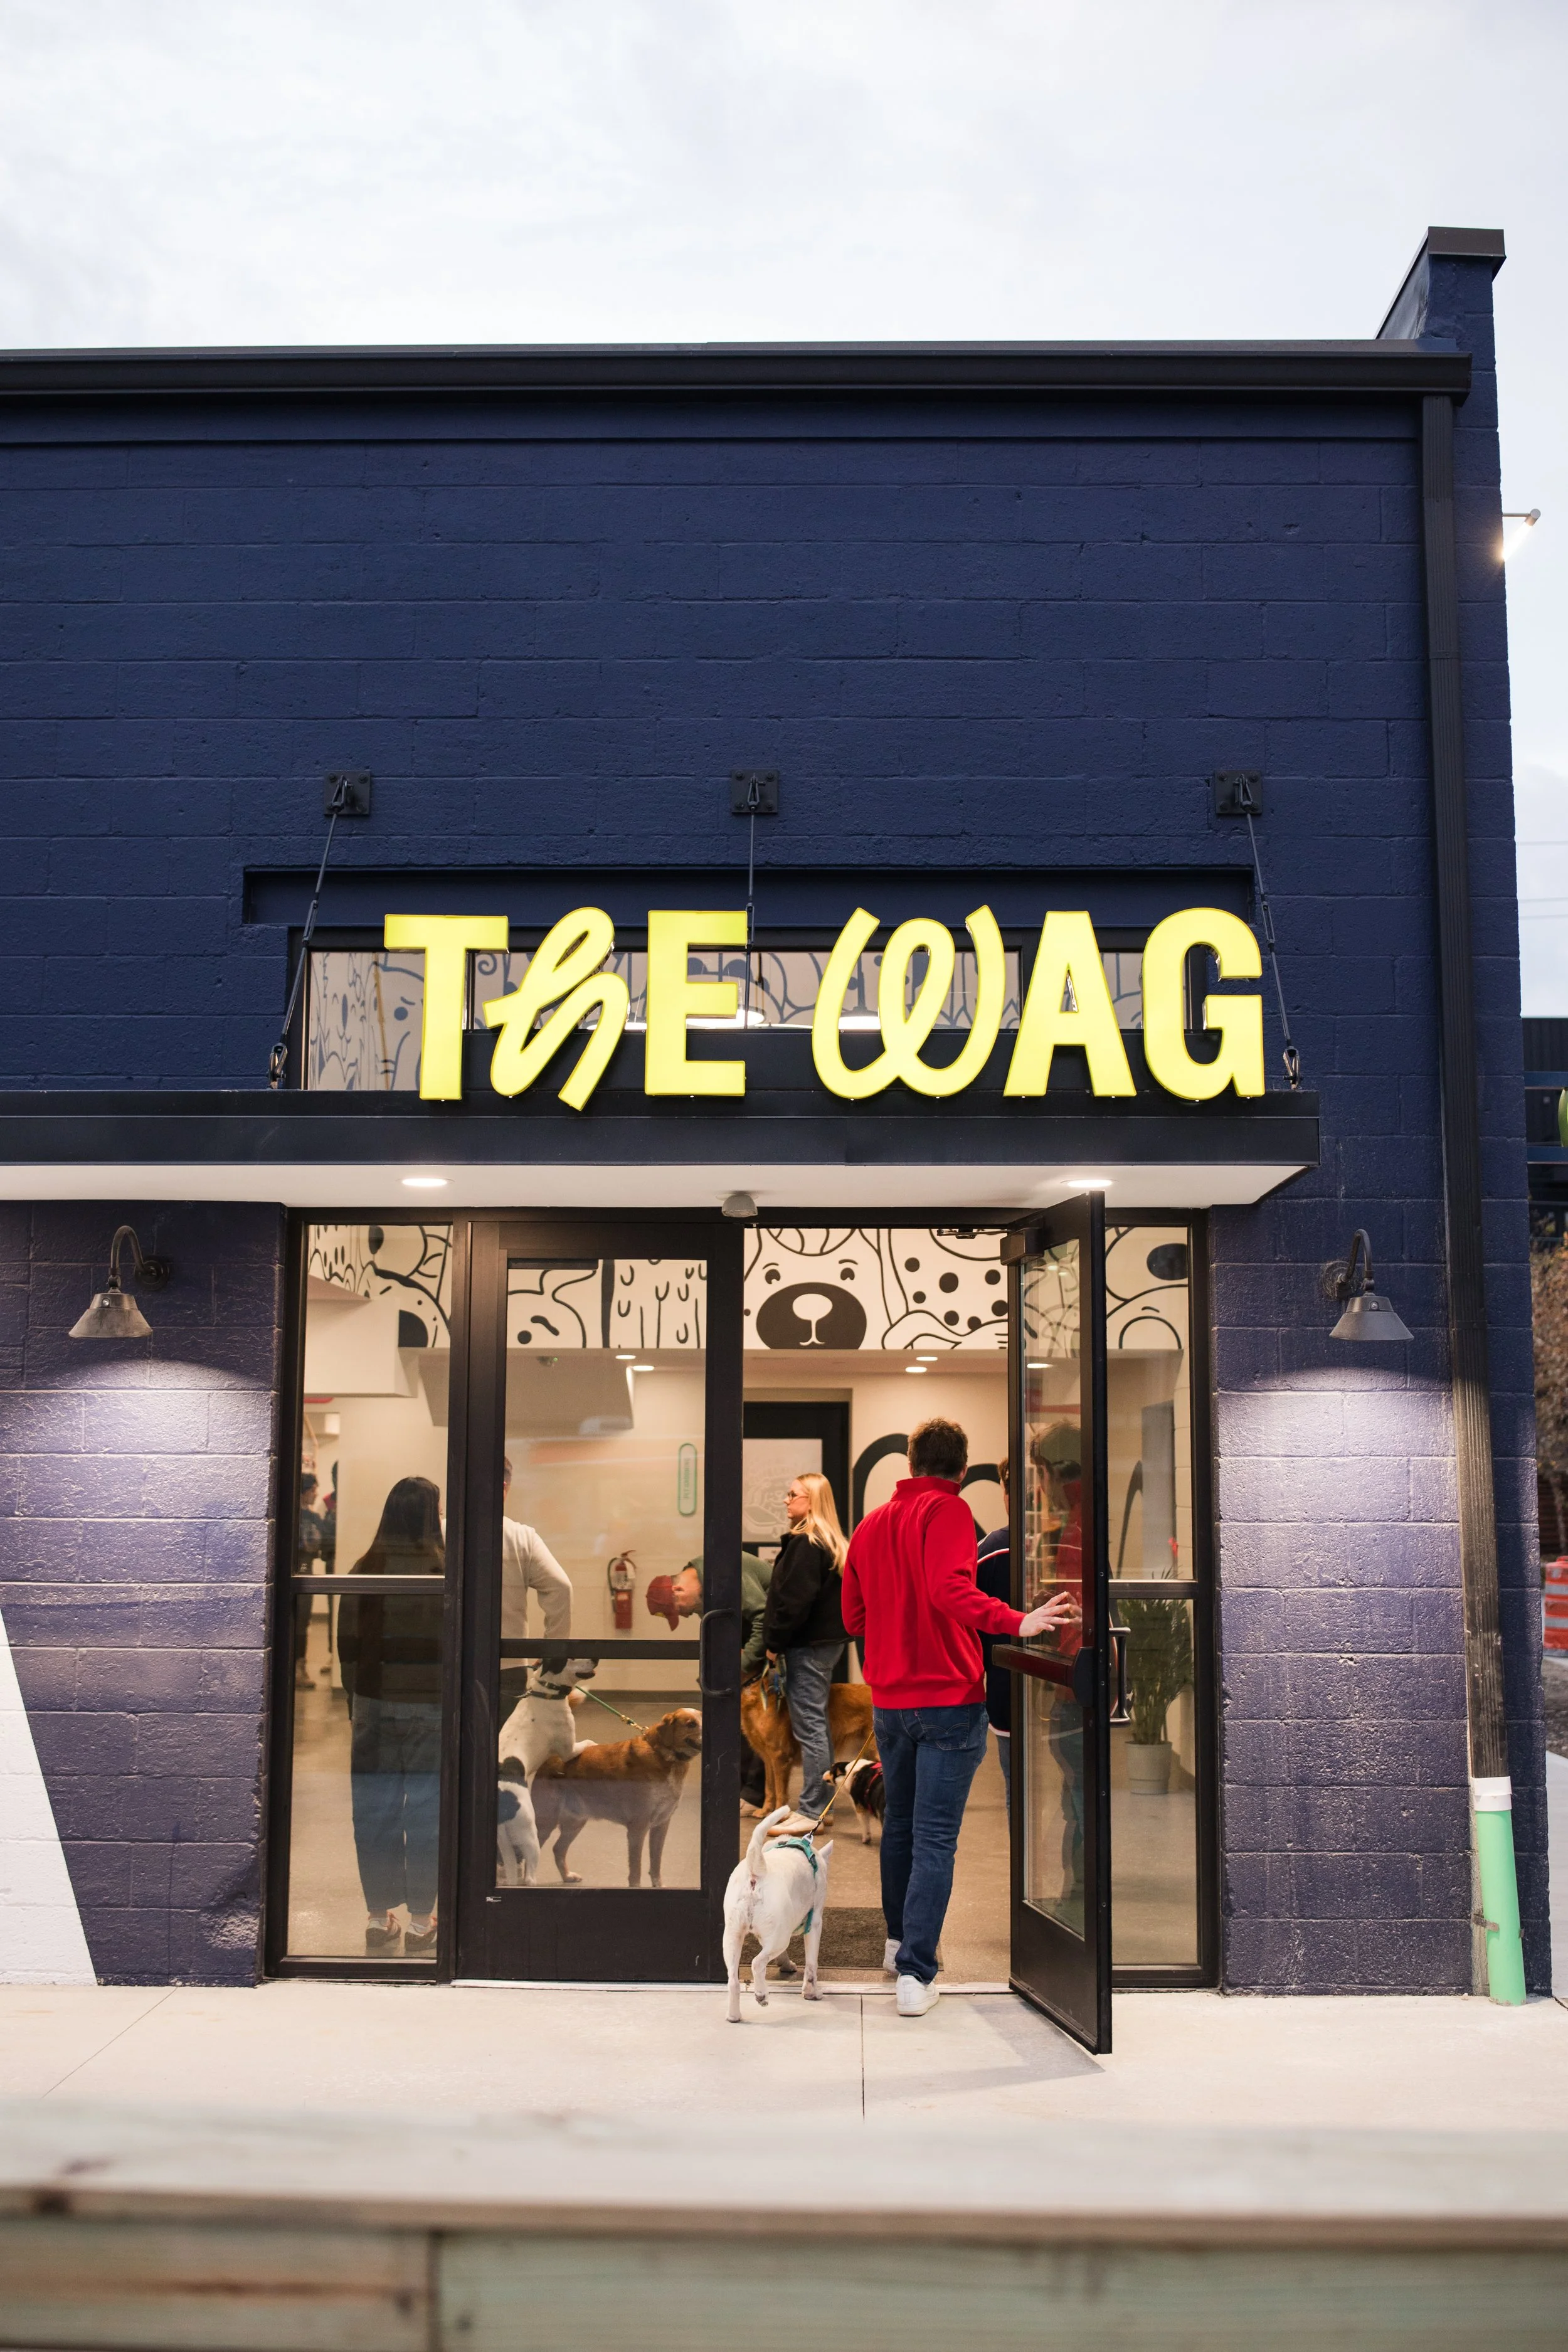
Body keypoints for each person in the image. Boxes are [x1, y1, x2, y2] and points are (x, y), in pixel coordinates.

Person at [841, 1417, 1076, 2018]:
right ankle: (917, 1974)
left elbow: (854, 1618)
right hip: (946, 1700)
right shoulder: (945, 1514)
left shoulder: (869, 1525)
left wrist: (895, 1645)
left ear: (911, 1461)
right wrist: (1019, 1621)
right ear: (960, 1469)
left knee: (900, 1830)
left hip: (890, 1702)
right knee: (935, 1837)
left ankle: (898, 1947)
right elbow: (950, 1590)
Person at [337, 1476, 445, 1959]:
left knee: (375, 1812)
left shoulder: (366, 1567)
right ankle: (423, 1923)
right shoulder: (443, 1571)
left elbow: (347, 1647)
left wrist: (356, 1706)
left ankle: (379, 1920)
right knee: (425, 1812)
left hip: (373, 1707)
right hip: (431, 1709)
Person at [646, 1549, 773, 1808]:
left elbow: (763, 1616)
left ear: (679, 1590)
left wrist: (744, 1664)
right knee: (738, 1713)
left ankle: (754, 1795)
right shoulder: (705, 1586)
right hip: (759, 1641)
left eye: (678, 1610)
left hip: (786, 1637)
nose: (683, 1615)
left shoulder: (723, 1571)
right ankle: (740, 1789)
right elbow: (720, 1633)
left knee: (759, 1719)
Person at [763, 1471, 850, 1837]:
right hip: (820, 1645)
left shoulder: (806, 1543)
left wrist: (774, 1642)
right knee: (816, 1725)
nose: (787, 1500)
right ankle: (822, 1804)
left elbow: (794, 1603)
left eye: (793, 1494)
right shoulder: (826, 1543)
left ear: (811, 1501)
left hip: (806, 1647)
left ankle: (813, 1809)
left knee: (811, 1727)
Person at [495, 1454, 573, 1719]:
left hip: (449, 1664)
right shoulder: (521, 1537)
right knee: (505, 1749)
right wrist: (552, 1650)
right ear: (504, 1489)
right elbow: (561, 1588)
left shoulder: (441, 1533)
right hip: (509, 1666)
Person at [975, 1456, 1012, 1814]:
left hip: (1006, 1693)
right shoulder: (1084, 1546)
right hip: (1072, 1693)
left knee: (1018, 1796)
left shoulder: (988, 1553)